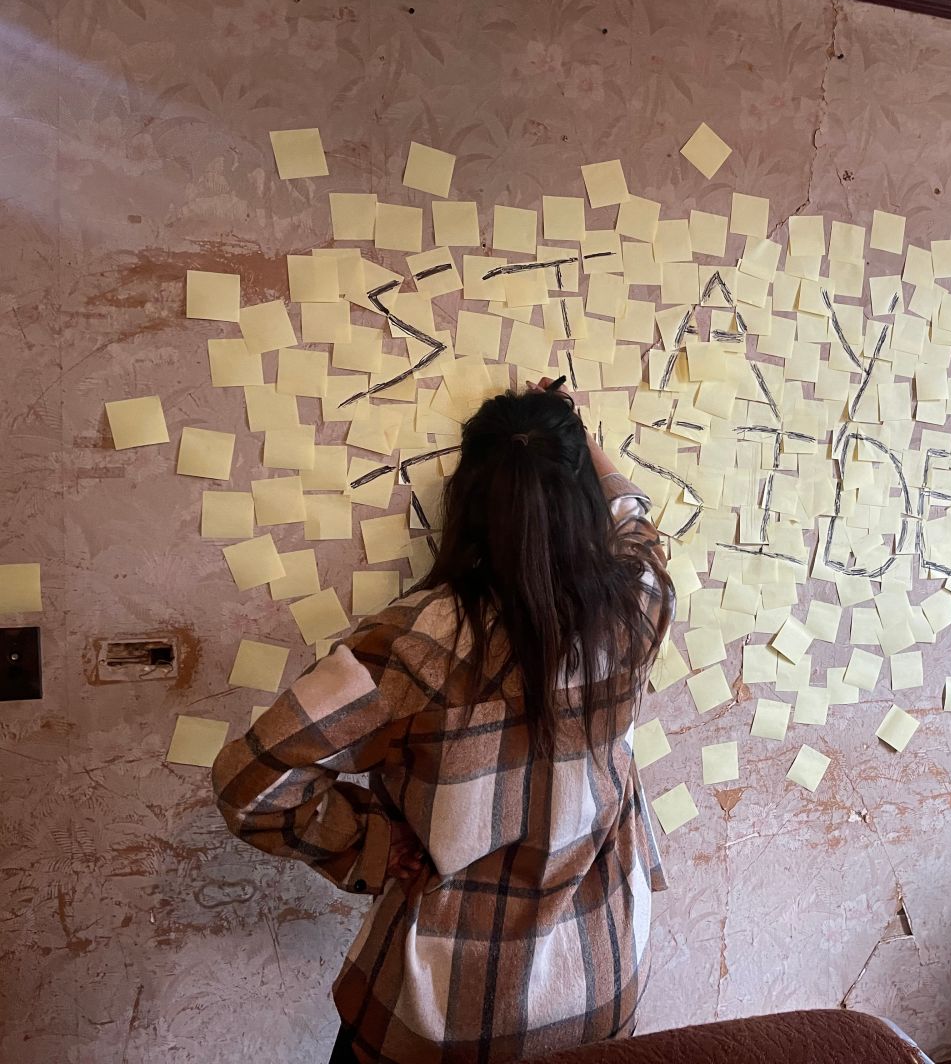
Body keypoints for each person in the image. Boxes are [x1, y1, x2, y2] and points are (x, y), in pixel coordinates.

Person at [212, 380, 674, 1063]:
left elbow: (249, 783)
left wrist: (373, 843)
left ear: (469, 503)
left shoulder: (413, 643)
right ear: (579, 500)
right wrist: (575, 433)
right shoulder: (635, 607)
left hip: (445, 1016)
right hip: (599, 990)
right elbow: (635, 517)